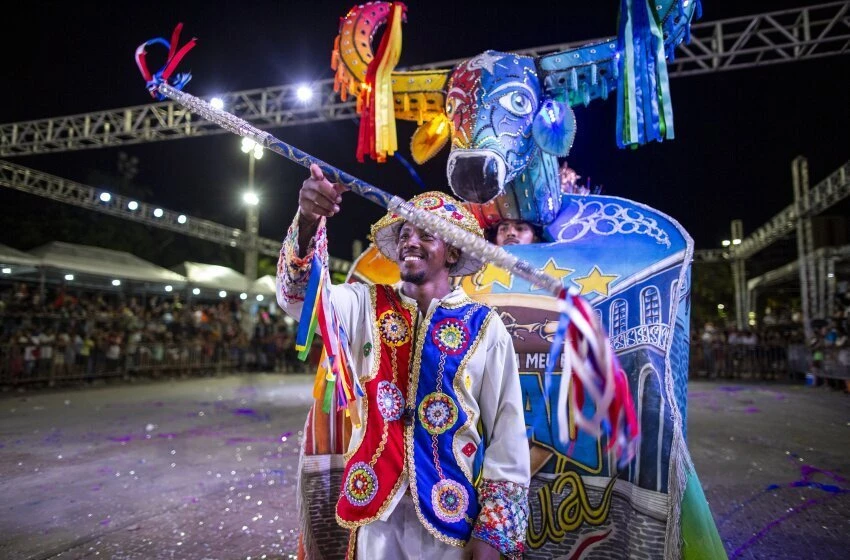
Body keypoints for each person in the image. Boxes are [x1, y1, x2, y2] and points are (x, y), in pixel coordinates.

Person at [276, 164, 529, 559]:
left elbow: (508, 434)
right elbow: (300, 300)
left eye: (426, 235)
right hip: (376, 516)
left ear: (454, 251)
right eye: (405, 234)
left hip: (451, 523)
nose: (411, 241)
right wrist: (308, 221)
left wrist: (492, 535)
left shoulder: (486, 328)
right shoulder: (363, 304)